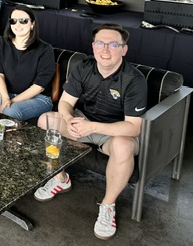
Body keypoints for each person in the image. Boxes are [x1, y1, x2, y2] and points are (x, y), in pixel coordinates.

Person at [33, 23, 147, 240]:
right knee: (45, 120)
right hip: (82, 123)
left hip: (114, 133)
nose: (105, 49)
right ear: (93, 47)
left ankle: (107, 205)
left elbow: (133, 127)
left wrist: (93, 127)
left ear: (124, 49)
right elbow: (65, 103)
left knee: (123, 146)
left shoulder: (134, 80)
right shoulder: (83, 67)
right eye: (100, 43)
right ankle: (60, 179)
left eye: (113, 44)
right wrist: (69, 119)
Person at [0, 5, 55, 121]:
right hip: (7, 94)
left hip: (37, 98)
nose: (17, 25)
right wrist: (5, 97)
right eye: (13, 21)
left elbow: (39, 87)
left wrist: (10, 102)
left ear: (32, 24)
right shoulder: (0, 44)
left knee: (10, 110)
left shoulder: (45, 49)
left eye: (23, 21)